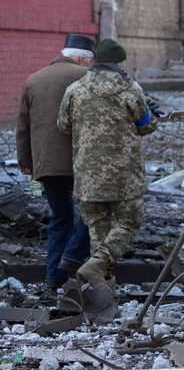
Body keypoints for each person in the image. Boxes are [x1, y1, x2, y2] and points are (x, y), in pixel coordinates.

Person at [57, 38, 156, 286]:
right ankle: (98, 264)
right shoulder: (131, 88)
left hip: (88, 177)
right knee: (130, 222)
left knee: (97, 231)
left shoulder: (75, 90)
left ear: (95, 60)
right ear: (120, 61)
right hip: (125, 178)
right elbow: (147, 127)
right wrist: (151, 112)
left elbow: (63, 126)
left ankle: (101, 288)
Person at [16, 34, 95, 289]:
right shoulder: (86, 77)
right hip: (81, 161)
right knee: (94, 212)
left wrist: (26, 162)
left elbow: (23, 127)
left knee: (60, 217)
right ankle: (72, 258)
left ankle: (53, 278)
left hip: (45, 164)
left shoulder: (33, 79)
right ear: (83, 58)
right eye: (89, 62)